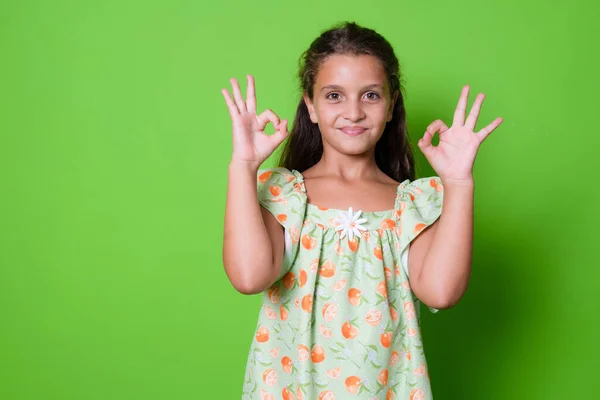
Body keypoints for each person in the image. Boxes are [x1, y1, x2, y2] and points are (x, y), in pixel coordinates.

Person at [221, 21, 502, 400]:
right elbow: (249, 276)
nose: (353, 112)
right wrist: (242, 165)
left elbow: (441, 292)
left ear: (391, 105)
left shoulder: (412, 205)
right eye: (334, 95)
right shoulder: (286, 195)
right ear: (311, 105)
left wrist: (458, 183)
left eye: (370, 95)